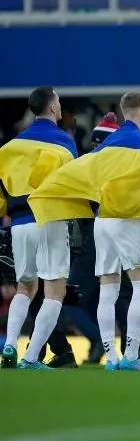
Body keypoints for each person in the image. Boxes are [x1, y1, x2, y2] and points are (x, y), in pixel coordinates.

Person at [28, 92, 140, 372]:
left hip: (103, 221)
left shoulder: (107, 144)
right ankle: (131, 355)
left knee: (108, 289)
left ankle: (111, 358)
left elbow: (83, 171)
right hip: (128, 220)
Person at [0, 87, 78, 369]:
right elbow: (74, 184)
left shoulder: (10, 147)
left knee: (25, 287)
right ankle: (31, 357)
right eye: (58, 102)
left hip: (19, 224)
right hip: (51, 220)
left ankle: (9, 345)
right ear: (54, 108)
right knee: (54, 291)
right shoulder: (63, 144)